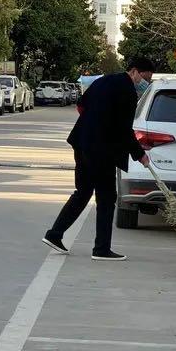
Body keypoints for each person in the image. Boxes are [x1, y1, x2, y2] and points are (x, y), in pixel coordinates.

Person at [42, 57, 154, 261]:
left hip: (82, 142)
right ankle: (101, 248)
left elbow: (81, 105)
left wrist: (93, 122)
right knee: (106, 198)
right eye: (145, 78)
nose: (144, 82)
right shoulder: (128, 92)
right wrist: (140, 155)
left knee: (83, 191)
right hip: (102, 150)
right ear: (135, 71)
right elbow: (124, 130)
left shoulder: (103, 80)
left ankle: (54, 234)